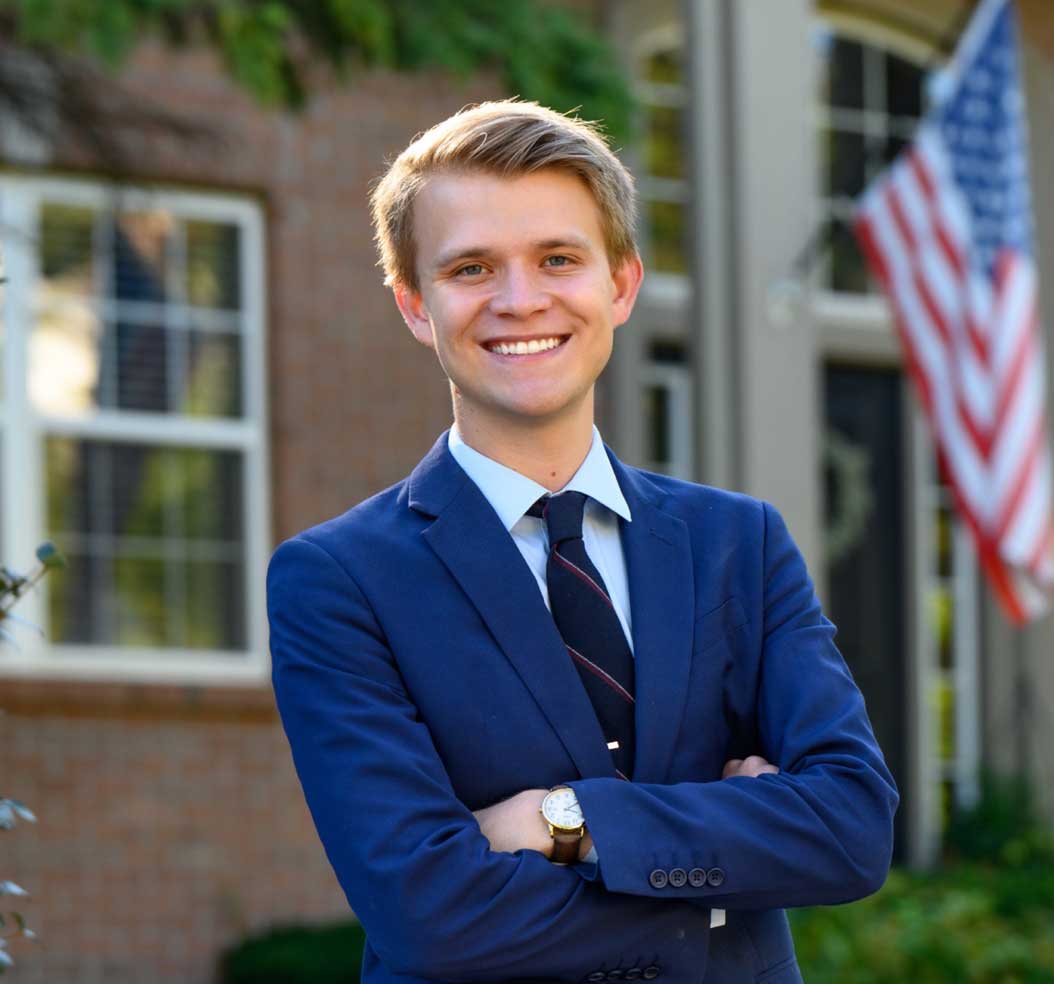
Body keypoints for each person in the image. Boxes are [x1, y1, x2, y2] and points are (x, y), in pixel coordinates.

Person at [267, 99, 897, 984]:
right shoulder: (338, 580)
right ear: (416, 305)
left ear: (622, 285)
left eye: (558, 259)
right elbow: (428, 915)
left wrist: (566, 823)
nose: (520, 300)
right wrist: (722, 886)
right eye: (472, 268)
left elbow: (851, 828)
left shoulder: (738, 544)